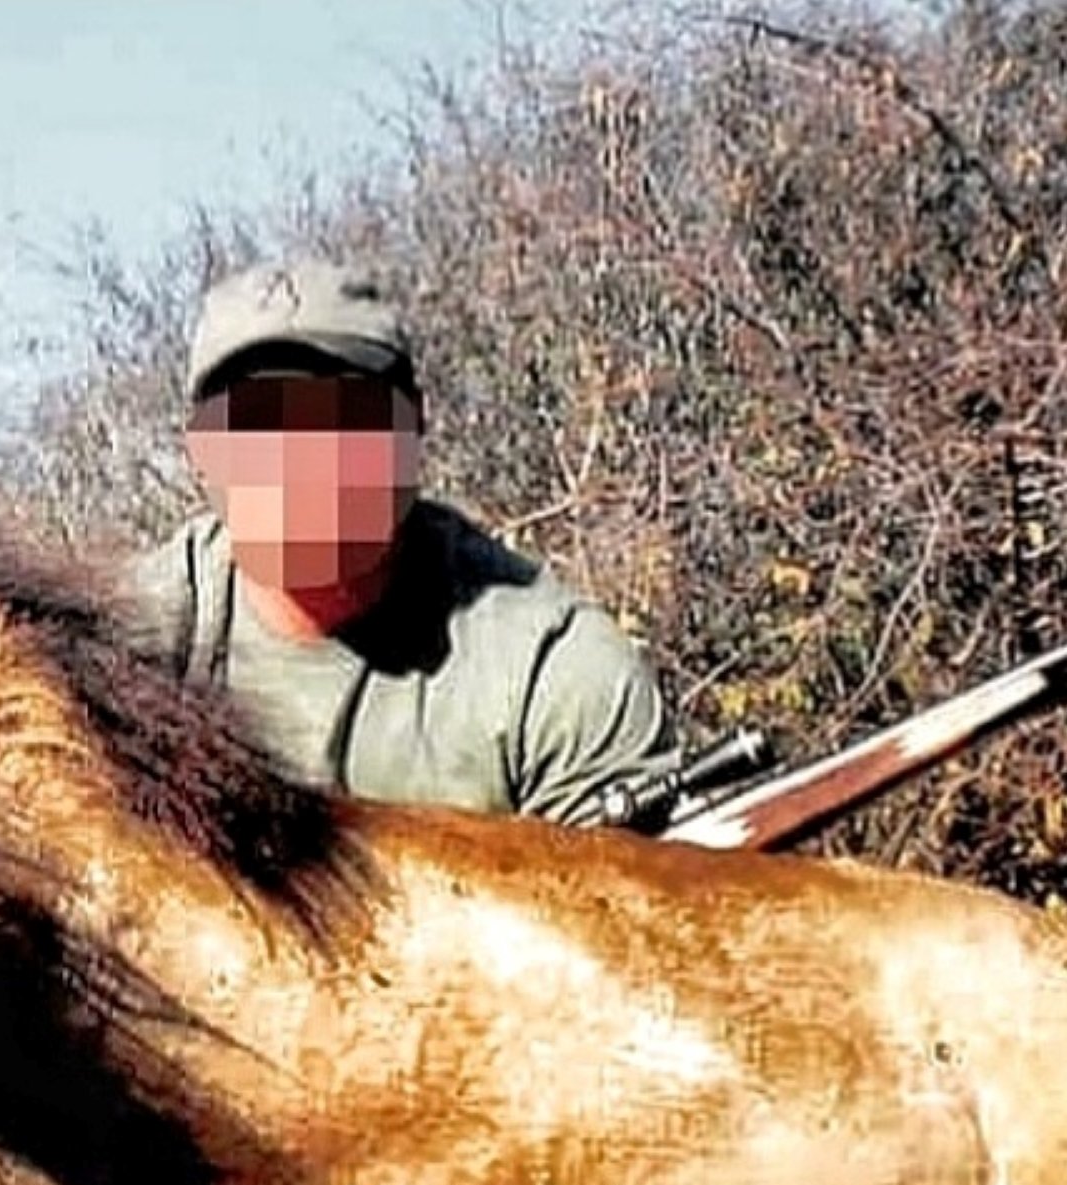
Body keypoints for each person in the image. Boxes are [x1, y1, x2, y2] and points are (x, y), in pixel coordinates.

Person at [123, 256, 682, 826]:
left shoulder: (553, 673)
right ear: (201, 454)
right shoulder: (121, 652)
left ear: (411, 425)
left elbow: (619, 904)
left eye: (342, 418)